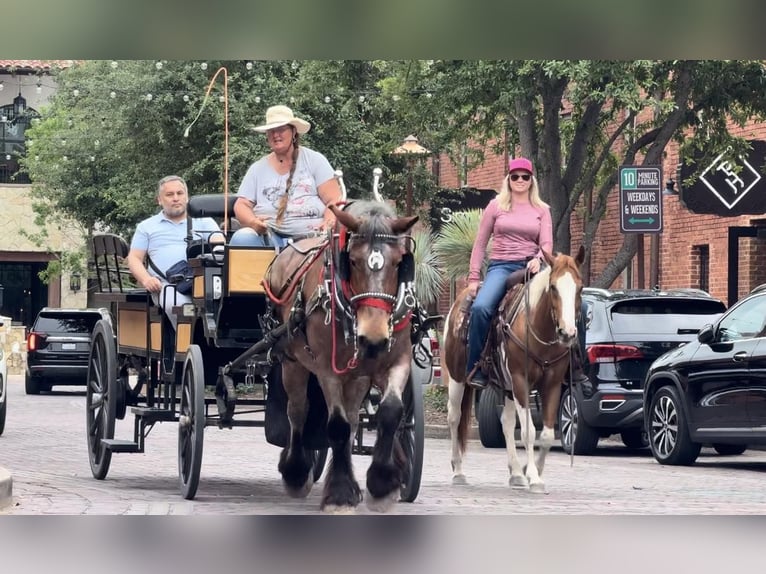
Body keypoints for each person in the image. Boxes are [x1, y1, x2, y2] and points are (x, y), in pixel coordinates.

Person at [465, 157, 553, 390]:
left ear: (531, 180)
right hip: (501, 267)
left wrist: (539, 259)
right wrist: (474, 277)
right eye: (515, 177)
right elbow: (480, 244)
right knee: (481, 308)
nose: (520, 180)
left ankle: (572, 366)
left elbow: (546, 244)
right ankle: (477, 366)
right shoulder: (496, 206)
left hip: (531, 268)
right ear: (509, 179)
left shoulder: (542, 210)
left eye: (525, 176)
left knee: (570, 305)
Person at [230, 105, 342, 249]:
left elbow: (335, 200)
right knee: (242, 238)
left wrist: (329, 222)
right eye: (271, 131)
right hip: (270, 239)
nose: (276, 135)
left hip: (313, 240)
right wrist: (253, 222)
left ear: (294, 131)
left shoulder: (315, 161)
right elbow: (241, 205)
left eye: (281, 129)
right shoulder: (257, 169)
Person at [126, 175, 220, 330]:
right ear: (159, 200)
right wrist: (147, 280)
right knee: (178, 305)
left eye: (180, 193)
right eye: (169, 195)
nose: (176, 198)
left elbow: (220, 248)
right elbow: (134, 258)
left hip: (205, 286)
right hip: (167, 286)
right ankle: (188, 346)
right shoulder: (146, 227)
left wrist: (218, 241)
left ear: (187, 197)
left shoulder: (205, 222)